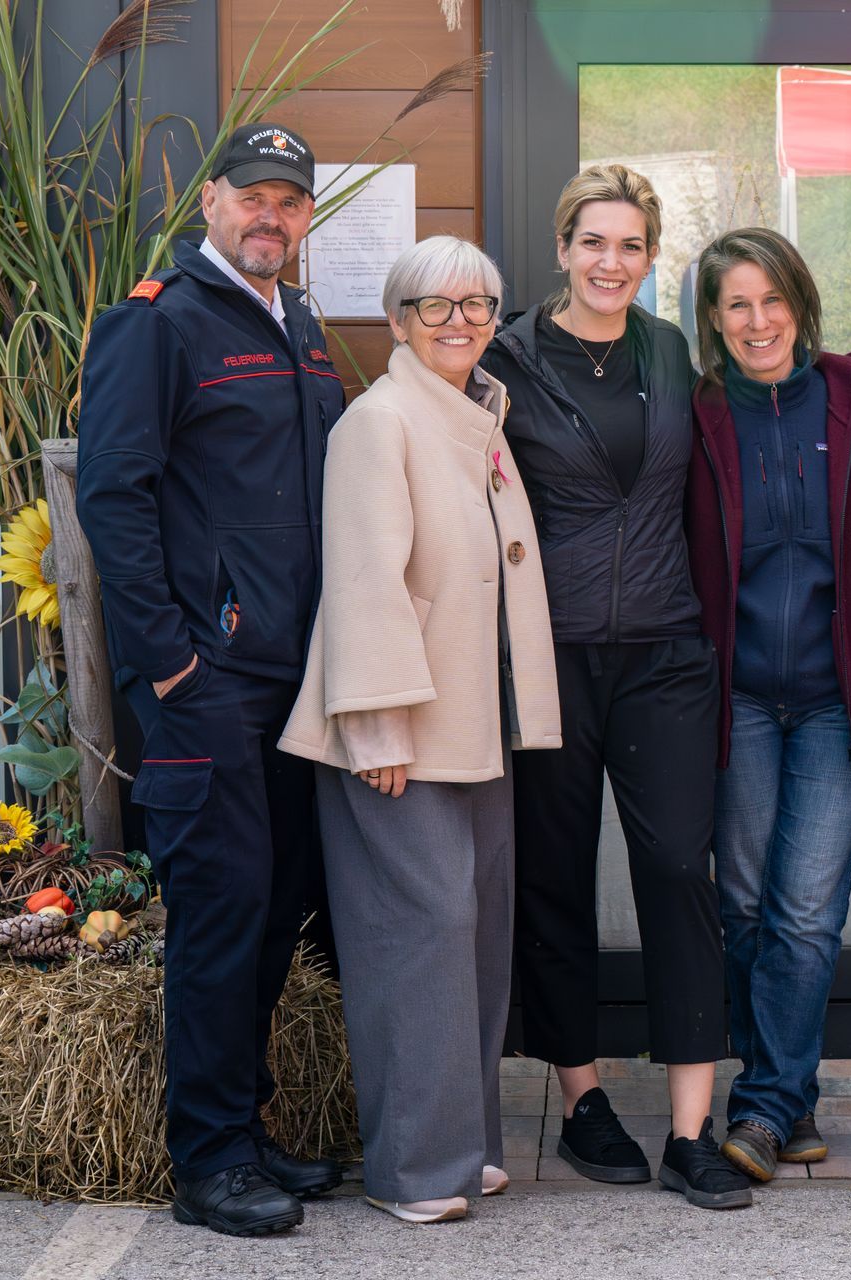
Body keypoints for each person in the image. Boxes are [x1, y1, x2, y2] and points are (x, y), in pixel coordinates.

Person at [75, 122, 346, 1236]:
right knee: (222, 916)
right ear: (212, 204)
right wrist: (170, 660)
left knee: (277, 911)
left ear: (306, 215)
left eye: (289, 199)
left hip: (293, 680)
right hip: (208, 683)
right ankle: (206, 1160)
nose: (269, 214)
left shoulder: (301, 326)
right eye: (252, 196)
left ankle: (248, 1128)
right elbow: (113, 498)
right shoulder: (160, 322)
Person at [478, 164, 750, 1211]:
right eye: (595, 241)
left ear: (651, 255)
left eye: (633, 245)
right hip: (547, 657)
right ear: (563, 246)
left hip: (667, 654)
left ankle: (690, 1128)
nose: (612, 262)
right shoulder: (505, 359)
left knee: (681, 867)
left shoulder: (671, 350)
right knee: (553, 870)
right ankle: (583, 1091)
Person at [277, 236, 561, 1224]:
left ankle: (464, 1141)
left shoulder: (476, 416)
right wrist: (379, 725)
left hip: (474, 725)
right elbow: (363, 583)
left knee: (475, 929)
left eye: (476, 304)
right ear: (398, 320)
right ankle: (412, 1166)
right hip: (395, 729)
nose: (458, 320)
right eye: (433, 305)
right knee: (419, 938)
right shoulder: (380, 420)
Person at [684, 228, 851, 1181]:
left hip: (836, 696)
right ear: (713, 317)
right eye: (736, 304)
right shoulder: (700, 415)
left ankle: (765, 1107)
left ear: (802, 301)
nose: (758, 321)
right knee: (742, 903)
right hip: (735, 694)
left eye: (772, 299)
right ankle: (789, 1096)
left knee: (808, 909)